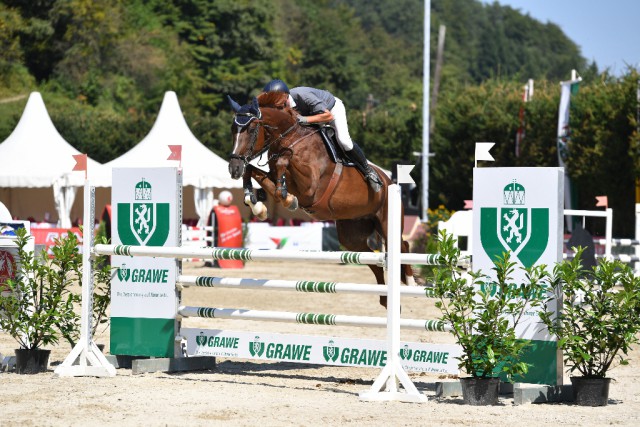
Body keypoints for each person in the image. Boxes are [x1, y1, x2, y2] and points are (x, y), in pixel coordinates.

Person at [262, 79, 382, 192]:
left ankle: (368, 171)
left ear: (285, 96)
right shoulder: (281, 106)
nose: (275, 107)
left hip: (332, 109)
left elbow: (328, 116)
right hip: (312, 115)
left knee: (344, 141)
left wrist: (304, 119)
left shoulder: (303, 96)